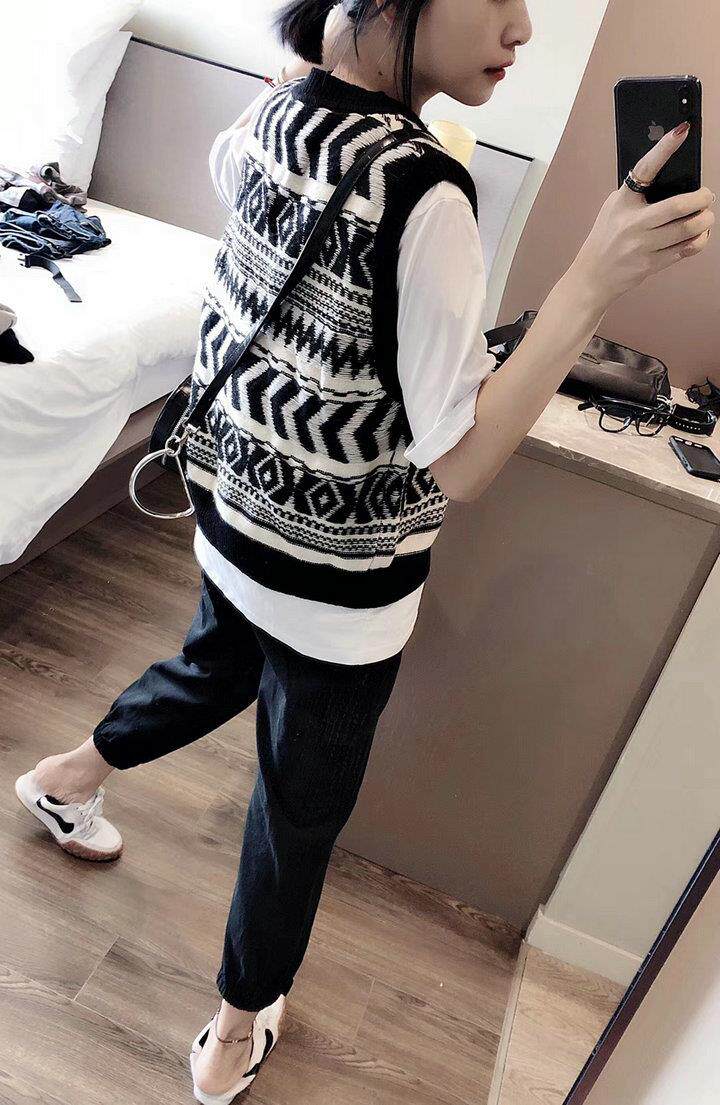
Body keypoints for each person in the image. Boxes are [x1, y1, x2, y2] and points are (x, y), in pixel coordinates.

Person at [14, 0, 714, 1101]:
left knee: (215, 667)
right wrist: (591, 277)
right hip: (337, 580)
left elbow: (249, 220)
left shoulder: (270, 116)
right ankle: (239, 1023)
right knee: (298, 809)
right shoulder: (428, 191)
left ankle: (65, 777)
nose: (522, 29)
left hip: (235, 511)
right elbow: (461, 463)